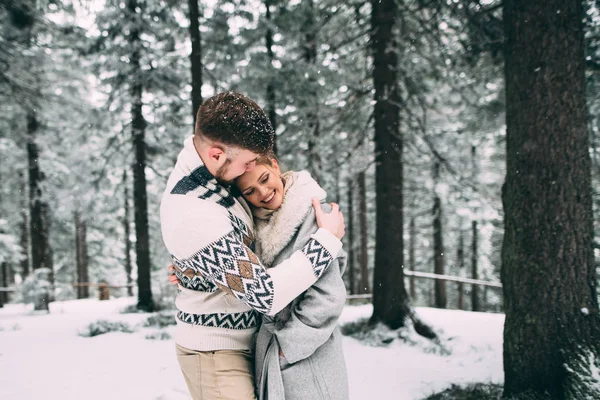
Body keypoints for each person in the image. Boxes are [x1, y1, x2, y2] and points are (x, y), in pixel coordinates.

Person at [160, 91, 345, 400]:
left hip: (248, 343)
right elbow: (264, 294)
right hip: (217, 352)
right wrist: (326, 242)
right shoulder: (192, 211)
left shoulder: (211, 170)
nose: (249, 171)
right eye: (246, 163)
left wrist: (200, 271)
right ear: (217, 154)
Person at [234, 154, 349, 400]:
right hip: (272, 351)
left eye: (265, 179)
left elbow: (328, 297)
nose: (263, 193)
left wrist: (288, 347)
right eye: (250, 191)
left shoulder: (313, 213)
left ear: (275, 165)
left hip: (308, 355)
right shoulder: (255, 226)